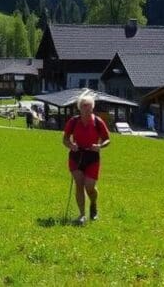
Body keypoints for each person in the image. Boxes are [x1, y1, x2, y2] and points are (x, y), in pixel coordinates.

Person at [63, 91, 110, 226]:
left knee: (90, 187)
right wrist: (71, 145)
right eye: (84, 105)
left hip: (92, 156)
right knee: (79, 184)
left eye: (89, 105)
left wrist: (100, 145)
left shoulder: (98, 121)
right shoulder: (73, 121)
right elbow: (65, 139)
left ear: (93, 107)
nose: (86, 108)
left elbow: (107, 139)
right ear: (79, 107)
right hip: (76, 156)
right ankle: (82, 215)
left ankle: (93, 204)